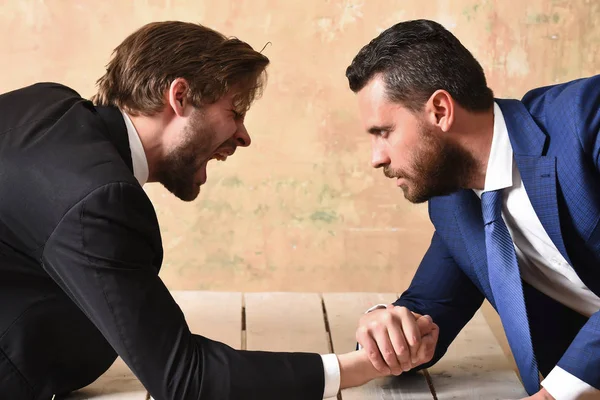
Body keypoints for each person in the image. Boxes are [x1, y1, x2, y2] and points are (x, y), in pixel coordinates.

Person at [0, 21, 437, 400]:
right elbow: (185, 380)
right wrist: (361, 367)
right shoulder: (97, 199)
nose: (243, 136)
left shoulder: (46, 106)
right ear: (180, 97)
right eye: (234, 111)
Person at [345, 19, 600, 400]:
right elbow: (429, 313)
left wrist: (554, 395)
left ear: (441, 110)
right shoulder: (455, 206)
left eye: (384, 132)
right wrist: (385, 325)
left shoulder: (586, 118)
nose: (376, 158)